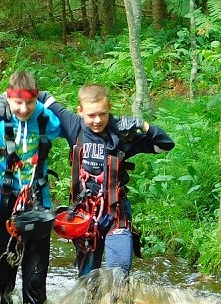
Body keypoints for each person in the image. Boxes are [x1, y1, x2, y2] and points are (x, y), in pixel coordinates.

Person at [41, 84, 174, 276]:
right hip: (85, 217)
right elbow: (43, 96)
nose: (97, 120)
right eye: (91, 115)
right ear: (80, 112)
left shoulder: (122, 133)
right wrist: (6, 101)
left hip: (116, 213)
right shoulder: (73, 125)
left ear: (110, 107)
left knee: (119, 275)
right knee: (87, 281)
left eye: (102, 114)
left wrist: (141, 124)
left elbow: (165, 144)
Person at [0, 70, 64, 304]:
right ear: (8, 98)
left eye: (30, 103)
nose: (24, 109)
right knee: (1, 275)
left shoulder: (47, 119)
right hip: (2, 202)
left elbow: (78, 125)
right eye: (17, 103)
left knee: (35, 280)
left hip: (37, 203)